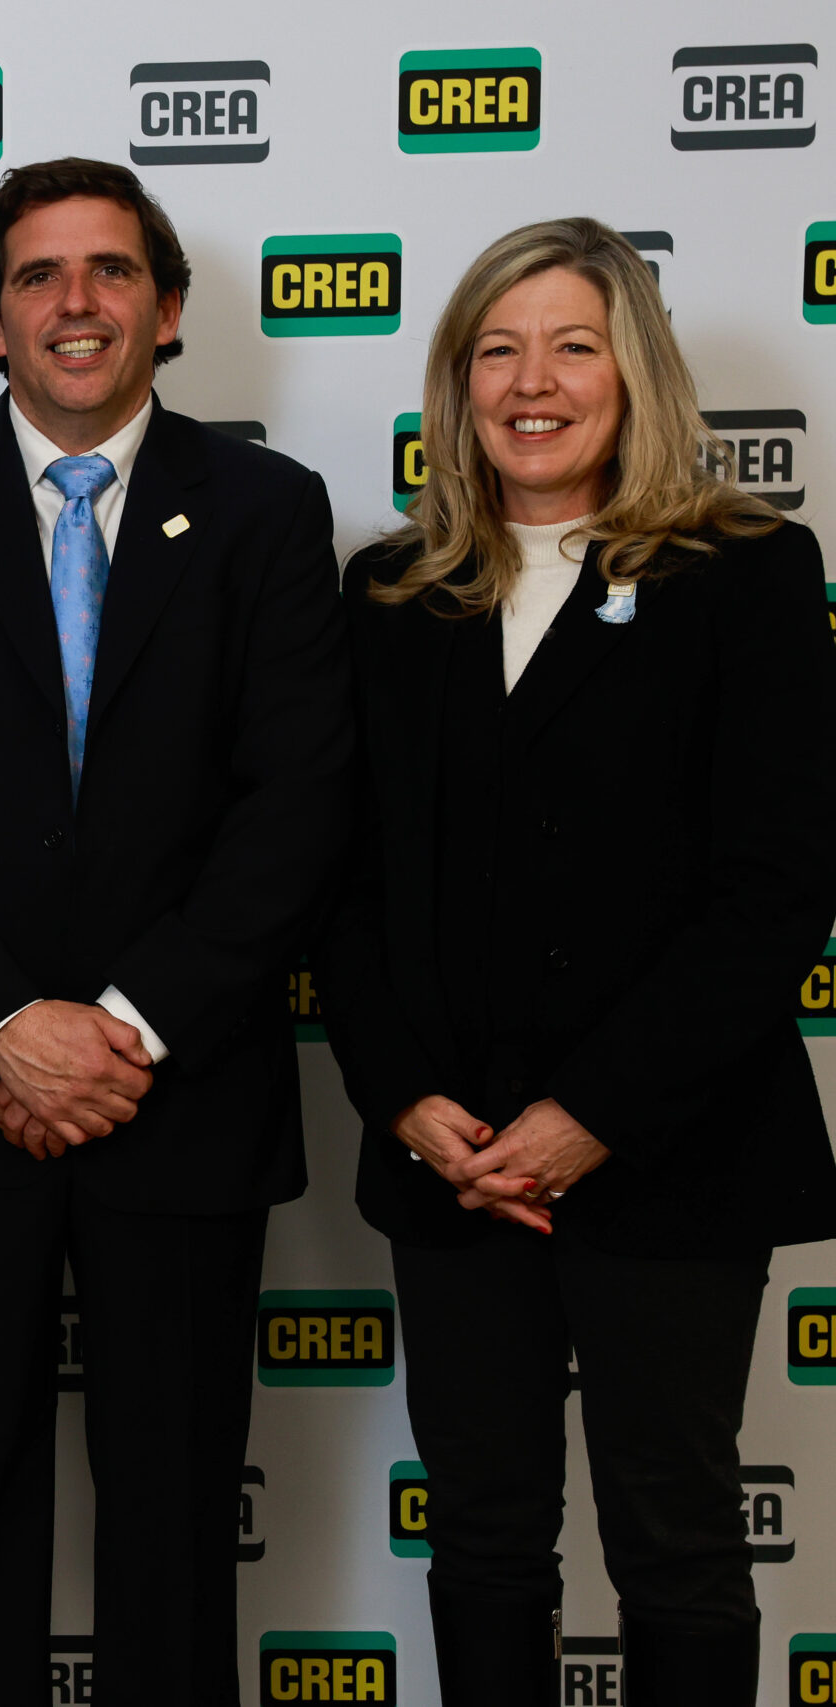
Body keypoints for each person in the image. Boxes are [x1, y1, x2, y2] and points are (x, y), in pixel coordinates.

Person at [0, 157, 353, 1702]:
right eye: (37, 275)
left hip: (180, 1088)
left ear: (167, 311)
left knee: (175, 1513)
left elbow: (296, 802)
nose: (76, 302)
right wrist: (7, 1025)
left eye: (112, 270)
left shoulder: (267, 512)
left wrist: (122, 1031)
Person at [318, 216, 836, 1704]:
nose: (530, 382)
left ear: (635, 374)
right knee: (485, 1541)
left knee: (676, 1539)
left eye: (571, 346)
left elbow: (774, 891)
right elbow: (341, 885)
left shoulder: (748, 573)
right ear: (457, 383)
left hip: (672, 1149)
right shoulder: (391, 592)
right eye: (497, 350)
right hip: (454, 1157)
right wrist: (410, 1103)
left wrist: (590, 1115)